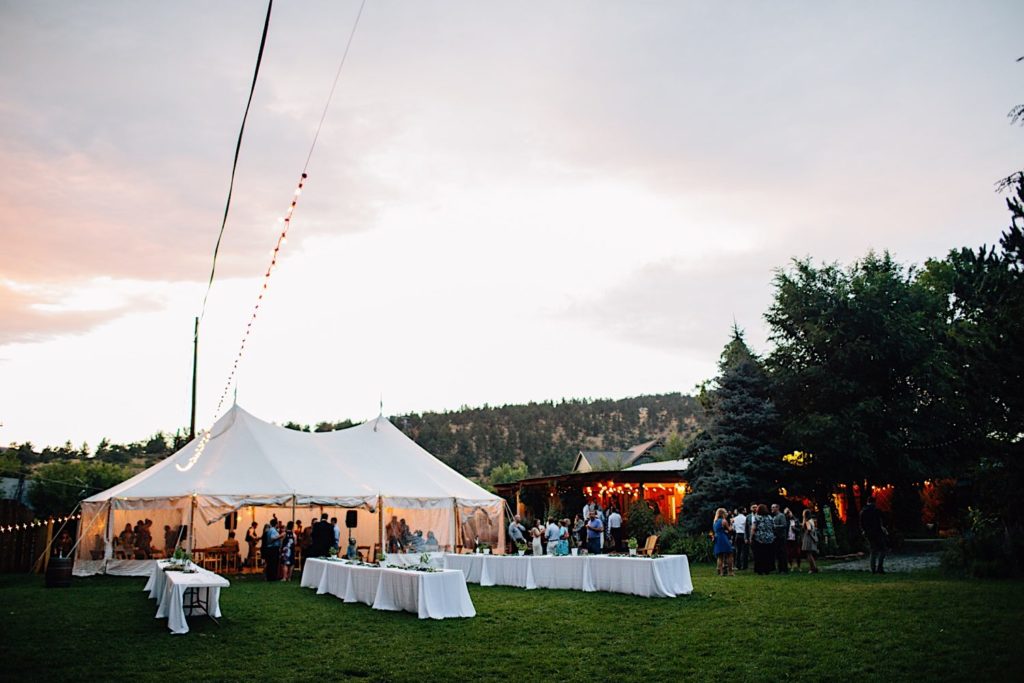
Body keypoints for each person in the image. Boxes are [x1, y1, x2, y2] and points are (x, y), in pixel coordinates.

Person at [860, 496, 888, 574]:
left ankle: (873, 569)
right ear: (874, 502)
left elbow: (861, 523)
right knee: (883, 549)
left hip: (869, 533)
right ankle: (880, 567)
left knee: (873, 550)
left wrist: (864, 531)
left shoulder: (863, 511)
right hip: (878, 532)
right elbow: (884, 518)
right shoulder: (876, 510)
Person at [750, 504, 776, 575]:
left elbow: (753, 528)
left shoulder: (757, 518)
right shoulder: (770, 517)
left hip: (759, 538)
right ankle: (767, 569)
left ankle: (760, 569)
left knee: (759, 554)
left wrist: (751, 538)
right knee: (767, 554)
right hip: (769, 537)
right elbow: (773, 527)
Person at [712, 508, 735, 576]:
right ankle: (730, 572)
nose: (727, 513)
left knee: (720, 556)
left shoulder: (715, 521)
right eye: (725, 512)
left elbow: (719, 530)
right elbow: (730, 529)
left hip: (717, 538)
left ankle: (721, 572)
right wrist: (731, 523)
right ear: (722, 514)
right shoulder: (723, 521)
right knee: (729, 554)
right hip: (723, 538)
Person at [771, 504, 788, 573]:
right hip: (776, 537)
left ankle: (784, 569)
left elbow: (784, 525)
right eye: (771, 507)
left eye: (773, 507)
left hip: (781, 537)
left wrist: (775, 526)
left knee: (782, 553)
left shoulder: (781, 515)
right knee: (778, 553)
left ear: (777, 508)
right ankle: (780, 568)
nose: (772, 509)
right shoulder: (774, 516)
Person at [801, 509, 820, 574]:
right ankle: (814, 567)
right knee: (810, 554)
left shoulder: (807, 521)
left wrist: (806, 532)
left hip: (808, 538)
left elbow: (809, 529)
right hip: (812, 538)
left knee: (809, 554)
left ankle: (813, 568)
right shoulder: (811, 520)